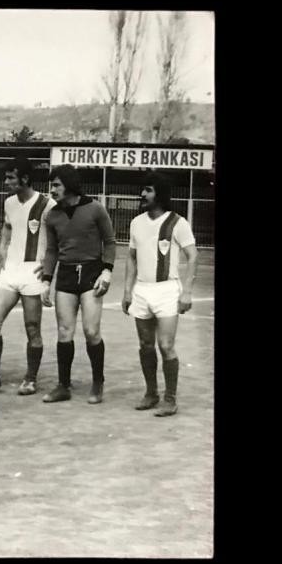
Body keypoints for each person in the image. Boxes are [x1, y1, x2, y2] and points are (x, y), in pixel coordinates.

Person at [0, 157, 55, 395]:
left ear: (25, 179)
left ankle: (30, 379)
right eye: (6, 177)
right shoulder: (9, 203)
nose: (6, 181)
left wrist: (48, 271)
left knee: (32, 327)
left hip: (33, 271)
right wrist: (3, 254)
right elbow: (7, 229)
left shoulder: (47, 205)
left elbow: (55, 242)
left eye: (11, 177)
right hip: (11, 271)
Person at [39, 164, 117, 404]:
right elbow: (52, 251)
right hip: (66, 275)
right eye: (51, 186)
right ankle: (63, 385)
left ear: (70, 185)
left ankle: (98, 382)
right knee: (64, 331)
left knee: (91, 331)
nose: (52, 190)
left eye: (56, 185)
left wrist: (107, 270)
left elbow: (110, 242)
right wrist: (46, 281)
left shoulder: (95, 209)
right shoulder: (51, 215)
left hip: (92, 273)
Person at [122, 172, 198, 417]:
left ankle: (170, 398)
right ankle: (151, 393)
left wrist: (186, 291)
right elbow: (131, 258)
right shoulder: (136, 222)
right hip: (142, 289)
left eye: (148, 190)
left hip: (167, 289)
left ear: (160, 194)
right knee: (145, 345)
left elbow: (193, 256)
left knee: (166, 346)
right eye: (142, 190)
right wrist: (127, 291)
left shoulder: (177, 222)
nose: (142, 194)